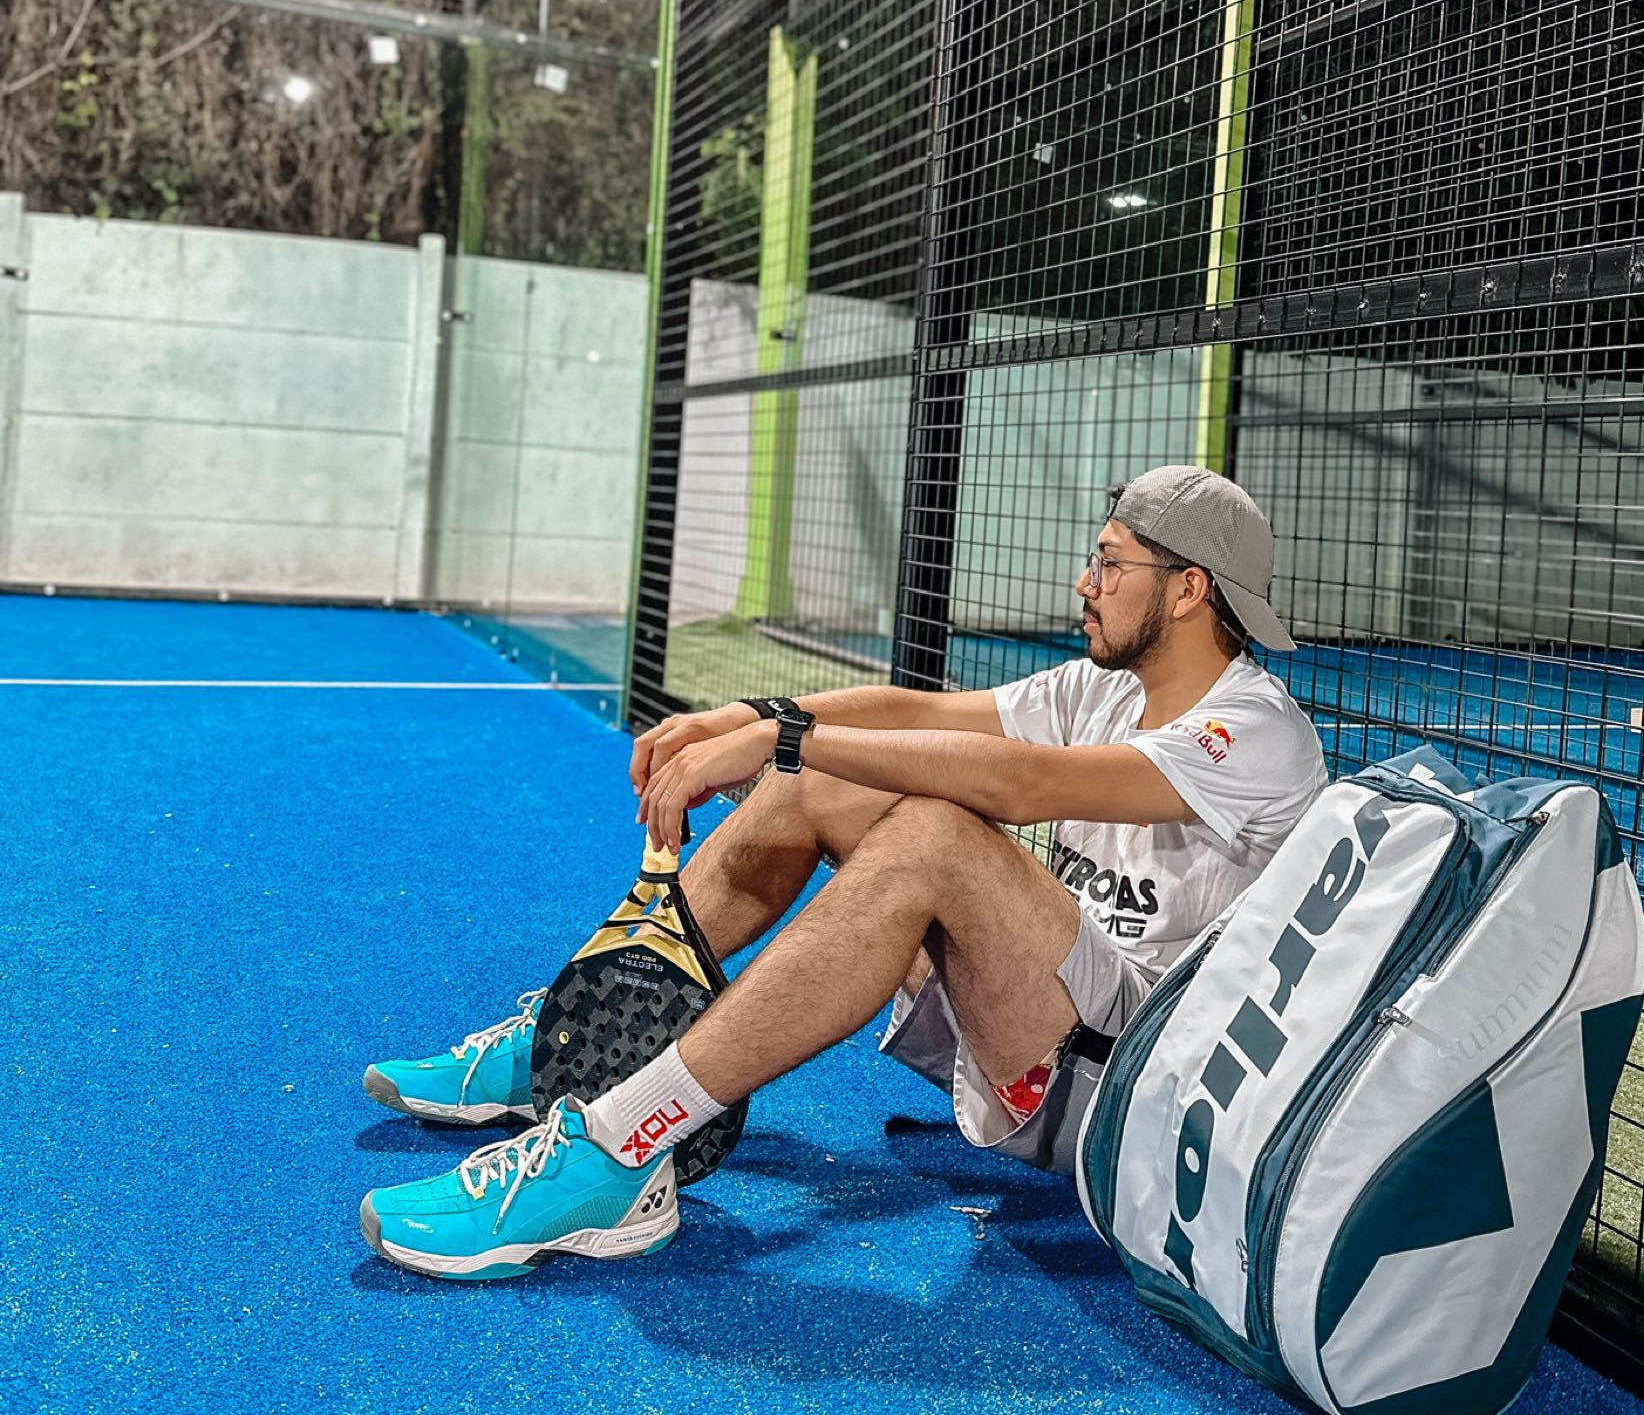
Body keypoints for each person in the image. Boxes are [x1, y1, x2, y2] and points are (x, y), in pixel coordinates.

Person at [359, 466, 1328, 1279]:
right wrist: (756, 718)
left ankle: (617, 1148)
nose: (1086, 581)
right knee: (815, 782)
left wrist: (781, 738)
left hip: (1129, 1091)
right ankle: (567, 1037)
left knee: (933, 834)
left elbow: (1023, 784)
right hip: (1044, 1024)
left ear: (1188, 588)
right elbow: (919, 712)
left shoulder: (1256, 730)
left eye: (1110, 563)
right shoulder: (1102, 688)